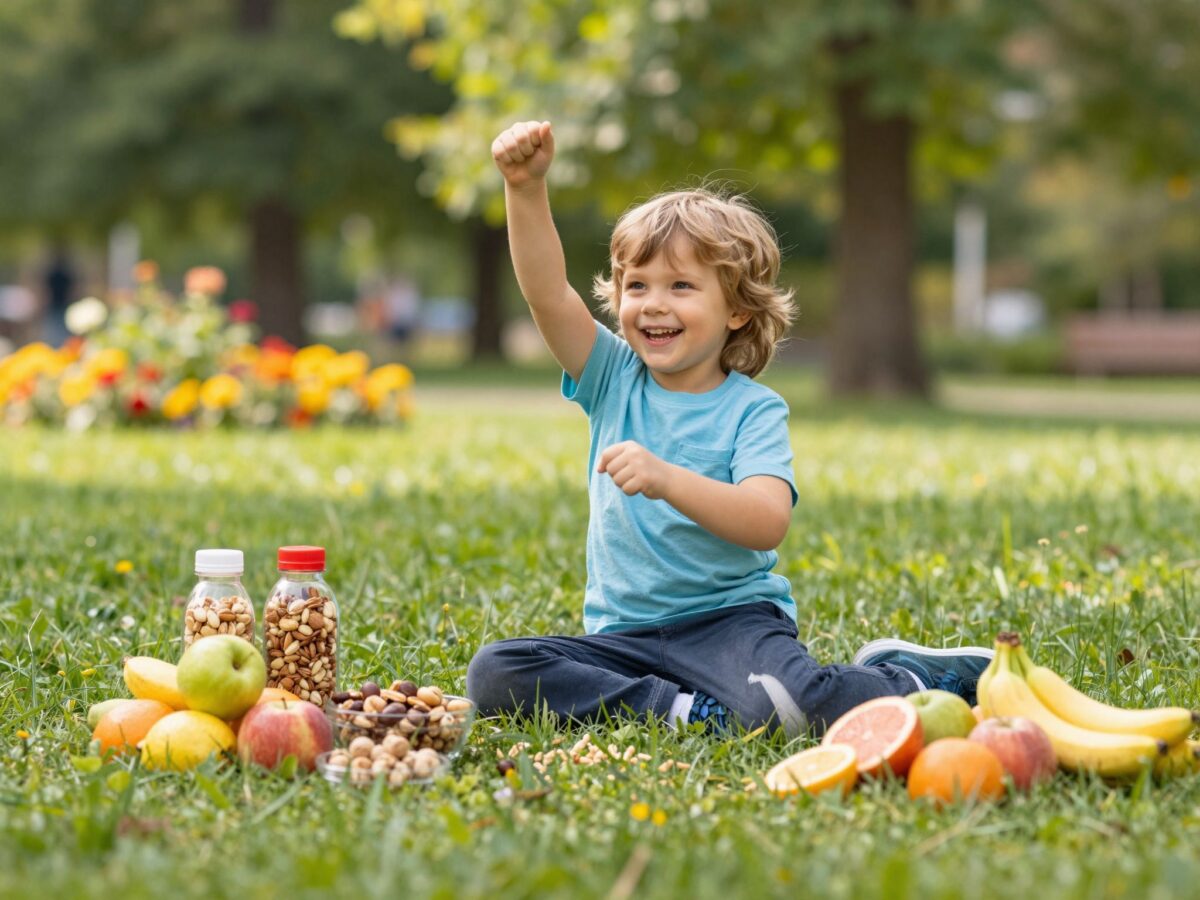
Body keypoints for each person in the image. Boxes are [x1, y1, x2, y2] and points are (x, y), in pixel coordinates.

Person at [466, 120, 992, 736]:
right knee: (497, 671)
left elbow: (765, 521)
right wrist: (525, 190)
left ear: (737, 309)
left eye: (681, 286)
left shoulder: (753, 410)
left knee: (790, 708)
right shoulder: (610, 376)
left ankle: (900, 679)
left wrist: (668, 478)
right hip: (623, 636)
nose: (654, 304)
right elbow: (547, 294)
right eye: (637, 286)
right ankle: (681, 710)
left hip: (732, 623)